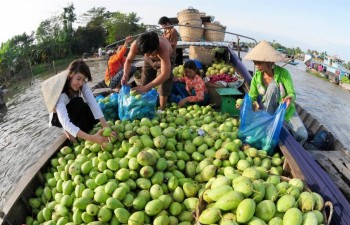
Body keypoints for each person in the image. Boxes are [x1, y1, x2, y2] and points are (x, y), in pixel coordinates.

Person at [240, 40, 308, 145]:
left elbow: (292, 93)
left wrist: (289, 98)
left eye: (259, 63)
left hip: (284, 111)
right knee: (272, 88)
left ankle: (294, 151)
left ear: (269, 62)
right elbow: (252, 96)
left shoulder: (283, 73)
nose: (257, 66)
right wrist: (243, 103)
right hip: (267, 111)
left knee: (303, 135)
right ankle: (267, 126)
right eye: (255, 63)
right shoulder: (256, 78)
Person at [41, 59, 115, 144]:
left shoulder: (82, 83)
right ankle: (69, 131)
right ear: (71, 75)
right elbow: (65, 122)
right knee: (78, 102)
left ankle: (80, 130)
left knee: (88, 111)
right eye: (78, 79)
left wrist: (106, 127)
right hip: (58, 117)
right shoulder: (61, 95)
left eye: (83, 80)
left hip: (72, 109)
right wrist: (91, 138)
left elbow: (92, 102)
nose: (80, 83)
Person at [121, 31, 173, 110]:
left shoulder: (163, 48)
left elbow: (165, 74)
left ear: (156, 48)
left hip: (165, 60)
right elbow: (128, 60)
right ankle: (144, 106)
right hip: (148, 61)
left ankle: (162, 109)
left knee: (163, 85)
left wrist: (146, 87)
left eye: (149, 53)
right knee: (145, 82)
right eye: (144, 53)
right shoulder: (136, 45)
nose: (146, 55)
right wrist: (125, 75)